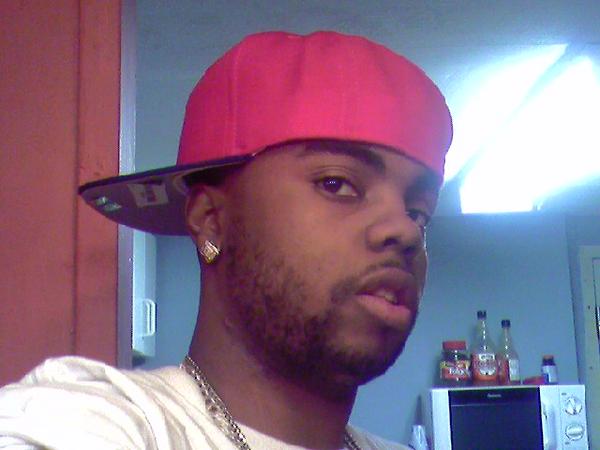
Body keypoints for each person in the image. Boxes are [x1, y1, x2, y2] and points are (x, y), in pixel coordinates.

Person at [0, 30, 452, 449]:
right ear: (211, 221)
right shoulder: (92, 422)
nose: (404, 230)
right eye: (337, 184)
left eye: (419, 212)